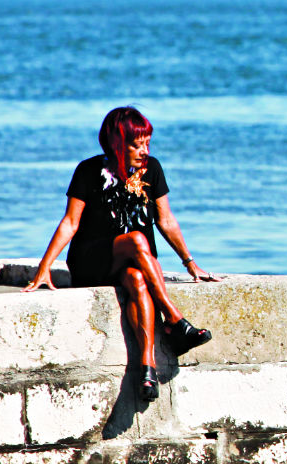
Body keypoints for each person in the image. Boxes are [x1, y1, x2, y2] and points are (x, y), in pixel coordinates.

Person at [24, 106, 218, 402]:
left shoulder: (152, 169)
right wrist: (44, 268)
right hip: (94, 261)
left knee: (138, 281)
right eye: (136, 144)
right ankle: (175, 319)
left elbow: (166, 220)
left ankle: (147, 370)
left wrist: (190, 263)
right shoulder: (88, 171)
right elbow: (70, 222)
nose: (144, 151)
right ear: (117, 143)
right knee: (138, 239)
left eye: (147, 143)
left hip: (137, 263)